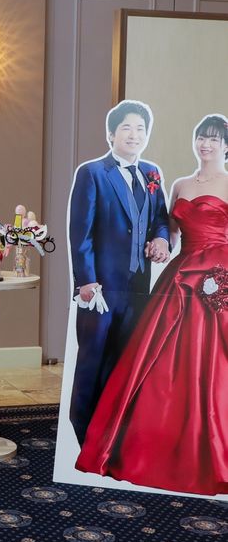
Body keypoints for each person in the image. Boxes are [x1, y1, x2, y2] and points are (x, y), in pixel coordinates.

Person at [76, 114, 228, 495]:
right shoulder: (177, 184)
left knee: (210, 366)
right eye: (201, 137)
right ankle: (141, 444)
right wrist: (161, 242)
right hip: (179, 277)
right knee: (152, 364)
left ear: (226, 146)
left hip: (218, 280)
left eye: (214, 139)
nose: (206, 144)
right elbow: (167, 230)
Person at [68, 100, 170, 445]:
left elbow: (161, 218)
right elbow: (80, 233)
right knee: (92, 359)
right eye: (127, 127)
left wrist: (161, 239)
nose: (134, 134)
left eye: (140, 129)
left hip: (138, 288)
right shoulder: (93, 173)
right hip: (101, 288)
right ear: (111, 134)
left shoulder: (152, 173)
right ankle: (82, 433)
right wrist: (86, 281)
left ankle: (111, 436)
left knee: (124, 360)